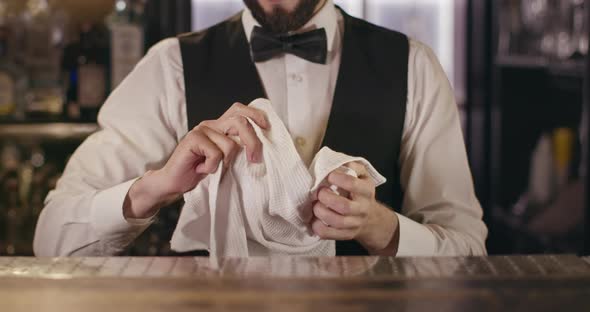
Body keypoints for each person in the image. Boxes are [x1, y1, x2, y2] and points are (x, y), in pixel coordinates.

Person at [33, 0, 487, 256]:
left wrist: (380, 228)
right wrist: (155, 187)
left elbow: (469, 254)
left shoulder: (414, 67)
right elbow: (53, 240)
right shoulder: (169, 67)